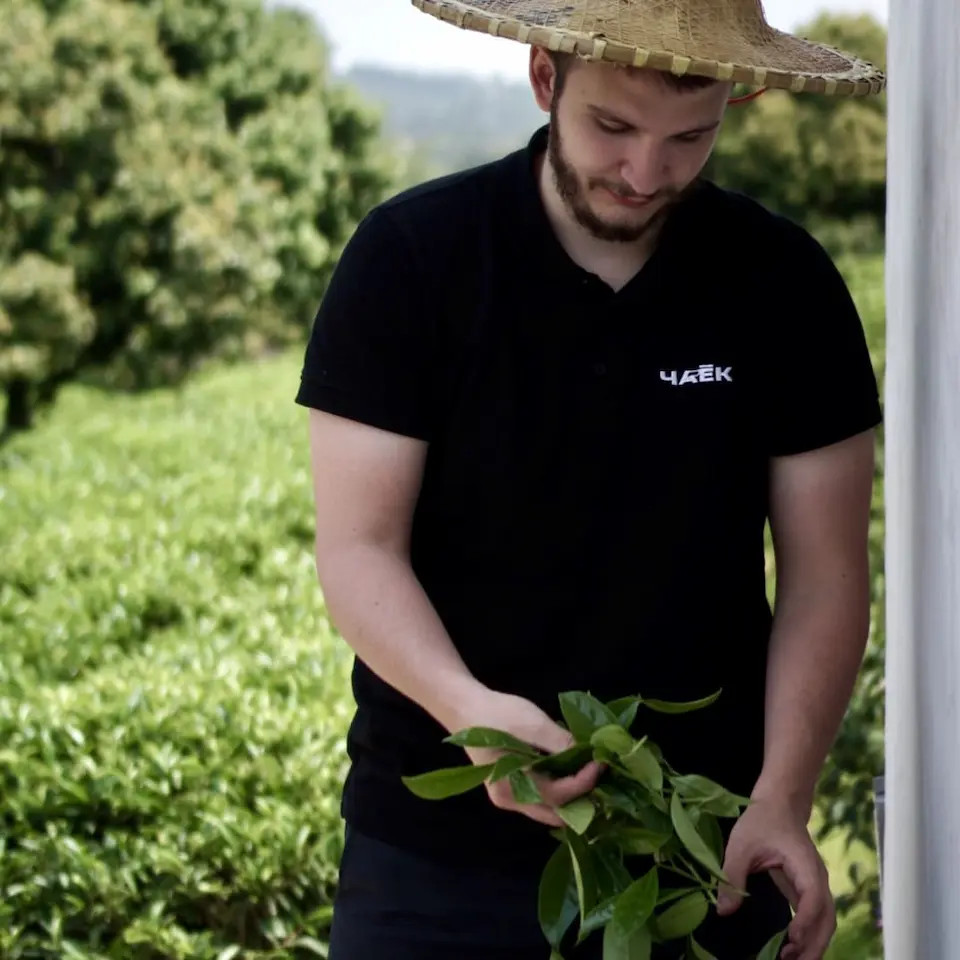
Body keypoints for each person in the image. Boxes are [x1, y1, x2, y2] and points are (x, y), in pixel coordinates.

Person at [295, 2, 886, 958]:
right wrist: (471, 710)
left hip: (706, 860)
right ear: (545, 79)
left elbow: (824, 573)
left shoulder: (786, 283)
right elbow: (359, 550)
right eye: (613, 127)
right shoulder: (412, 259)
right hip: (432, 865)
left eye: (691, 137)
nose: (647, 173)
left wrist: (784, 793)